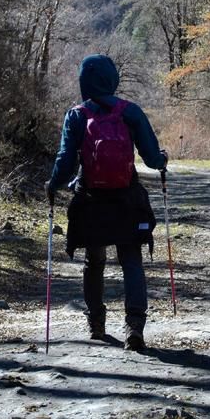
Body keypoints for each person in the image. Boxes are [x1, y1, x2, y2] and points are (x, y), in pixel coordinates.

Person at [47, 54, 168, 352]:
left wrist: (53, 185)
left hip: (91, 200)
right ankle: (134, 327)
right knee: (131, 261)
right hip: (127, 198)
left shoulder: (76, 115)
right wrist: (162, 159)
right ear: (112, 79)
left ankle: (97, 324)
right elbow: (152, 159)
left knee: (94, 261)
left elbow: (64, 162)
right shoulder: (131, 112)